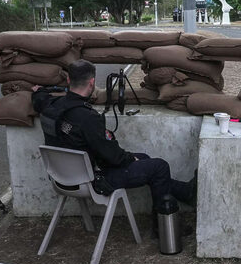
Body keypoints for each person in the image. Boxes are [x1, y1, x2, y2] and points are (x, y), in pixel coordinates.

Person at [31, 60, 196, 229]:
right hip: (94, 181)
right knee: (159, 166)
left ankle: (185, 192)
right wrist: (131, 159)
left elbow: (38, 97)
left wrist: (38, 91)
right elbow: (113, 157)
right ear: (92, 82)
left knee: (146, 159)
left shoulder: (50, 105)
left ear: (68, 81)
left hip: (61, 179)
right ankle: (164, 227)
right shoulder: (88, 118)